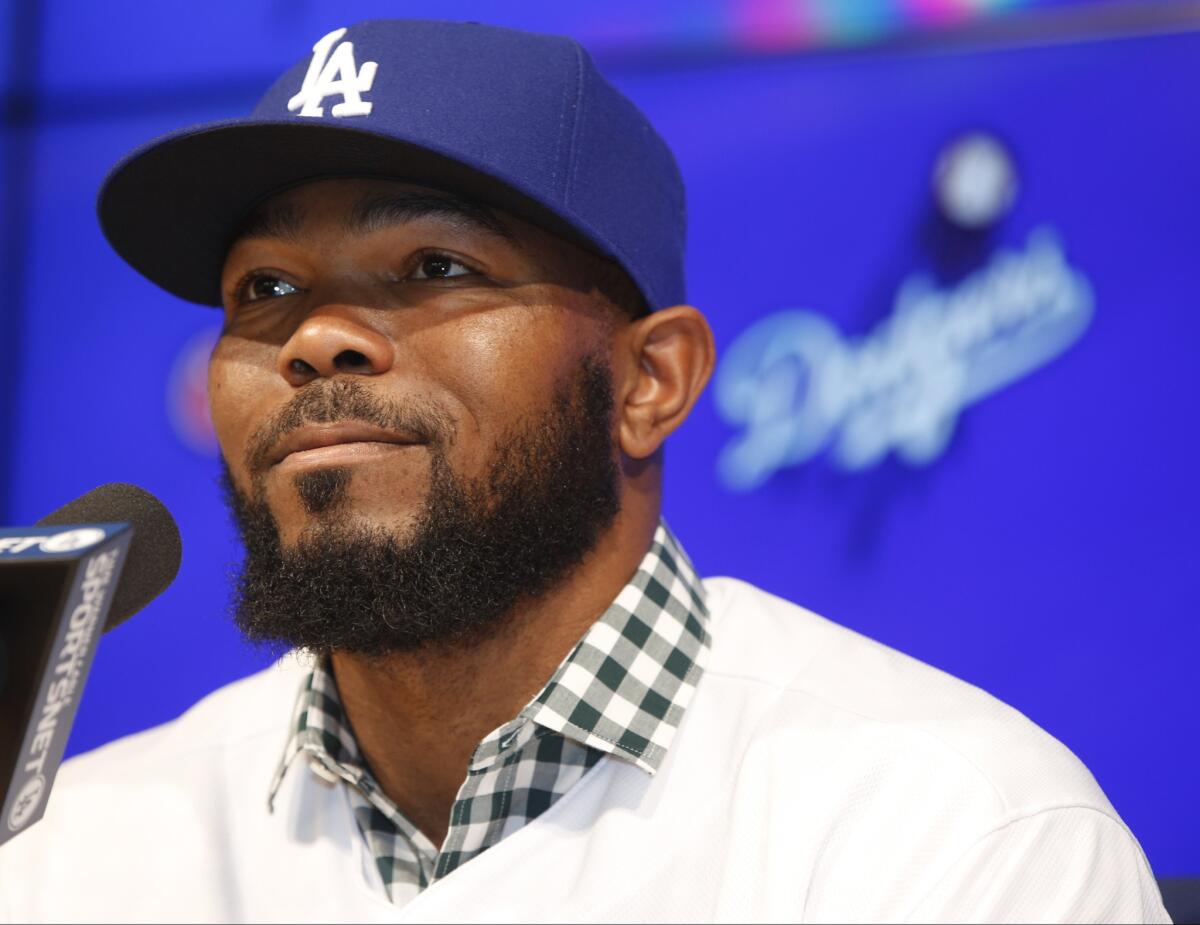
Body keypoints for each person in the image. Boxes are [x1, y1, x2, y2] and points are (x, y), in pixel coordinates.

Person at [0, 19, 1169, 923]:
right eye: (263, 290)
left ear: (650, 379)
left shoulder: (952, 835)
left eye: (435, 262)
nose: (315, 338)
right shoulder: (72, 851)